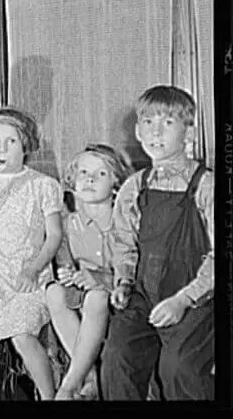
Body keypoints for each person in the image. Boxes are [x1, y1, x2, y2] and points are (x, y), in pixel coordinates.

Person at [100, 85, 214, 401]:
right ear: (137, 130)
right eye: (148, 123)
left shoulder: (207, 186)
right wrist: (123, 282)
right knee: (117, 359)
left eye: (167, 123)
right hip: (144, 296)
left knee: (179, 370)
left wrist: (184, 300)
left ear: (189, 133)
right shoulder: (134, 187)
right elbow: (123, 242)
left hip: (197, 300)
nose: (155, 132)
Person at [0, 107, 64, 401]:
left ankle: (50, 396)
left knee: (23, 337)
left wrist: (33, 269)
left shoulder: (43, 185)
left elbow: (55, 235)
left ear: (26, 146)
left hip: (28, 274)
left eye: (11, 142)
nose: (2, 150)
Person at [45, 143, 134, 400]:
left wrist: (101, 280)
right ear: (72, 182)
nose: (90, 179)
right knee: (53, 292)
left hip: (116, 296)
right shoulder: (67, 224)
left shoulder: (125, 223)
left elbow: (132, 271)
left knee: (97, 296)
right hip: (82, 297)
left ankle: (70, 384)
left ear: (116, 184)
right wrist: (68, 275)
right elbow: (64, 265)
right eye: (83, 173)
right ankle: (90, 373)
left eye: (101, 174)